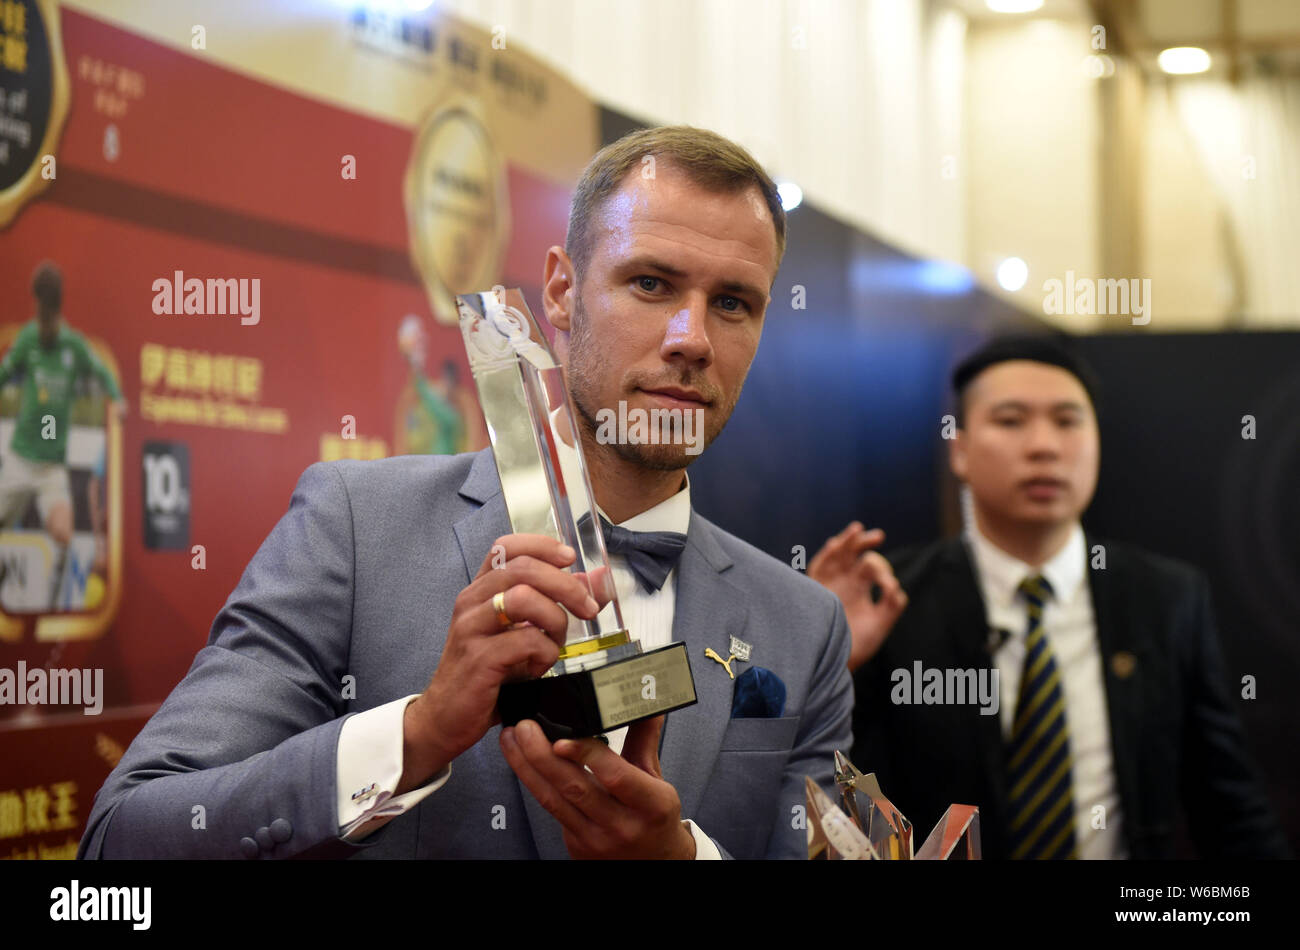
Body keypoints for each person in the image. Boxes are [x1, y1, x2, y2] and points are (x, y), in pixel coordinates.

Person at [78, 126, 853, 860]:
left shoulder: (805, 626)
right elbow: (125, 835)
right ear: (560, 291)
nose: (692, 338)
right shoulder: (356, 528)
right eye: (650, 283)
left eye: (733, 303)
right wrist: (415, 737)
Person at [813, 335, 1289, 859]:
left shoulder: (1166, 599)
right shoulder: (892, 601)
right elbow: (842, 810)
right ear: (961, 451)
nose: (1044, 446)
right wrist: (827, 660)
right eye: (1011, 420)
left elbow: (1228, 801)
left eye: (1067, 421)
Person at [0, 262, 126, 610]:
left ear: (56, 311)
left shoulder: (73, 346)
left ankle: (54, 612)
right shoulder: (27, 339)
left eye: (47, 318)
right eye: (38, 317)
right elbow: (4, 373)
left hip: (51, 469)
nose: (42, 325)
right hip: (20, 460)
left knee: (65, 535)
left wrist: (117, 400)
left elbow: (103, 374)